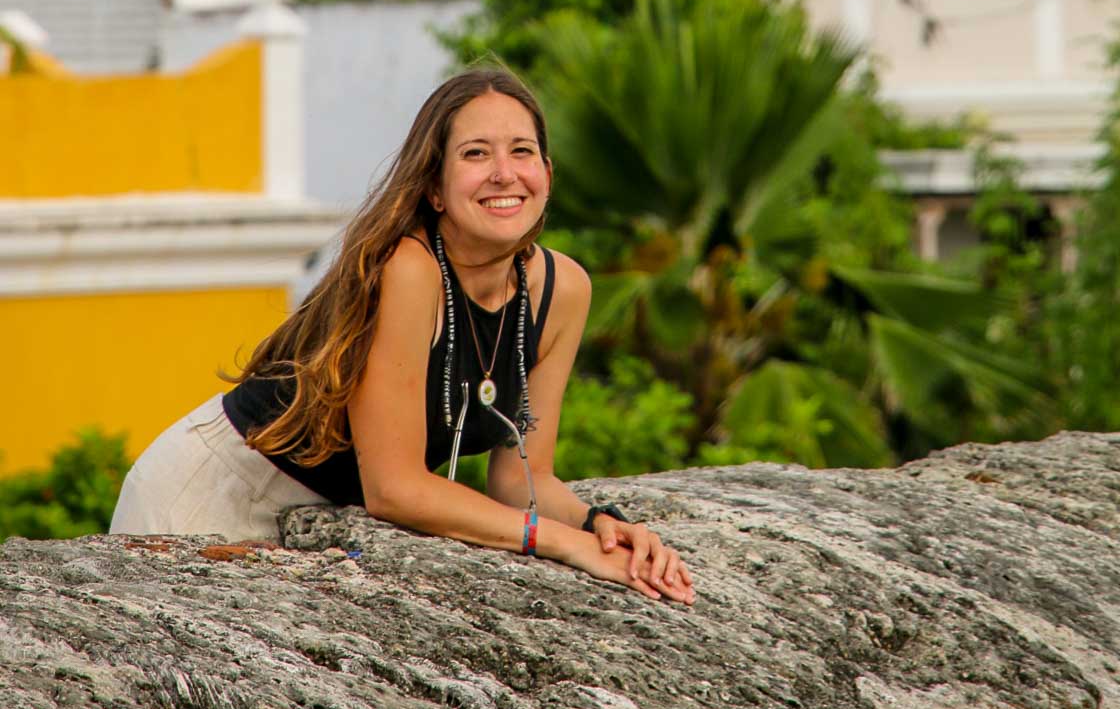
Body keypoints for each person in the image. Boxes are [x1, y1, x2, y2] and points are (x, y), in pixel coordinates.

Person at [110, 68, 694, 605]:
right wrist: (562, 543)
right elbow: (394, 489)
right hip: (217, 489)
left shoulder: (563, 290)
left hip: (321, 519)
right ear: (434, 188)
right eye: (475, 153)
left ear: (546, 173)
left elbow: (521, 477)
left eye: (522, 151)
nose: (504, 172)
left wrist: (602, 527)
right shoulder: (409, 269)